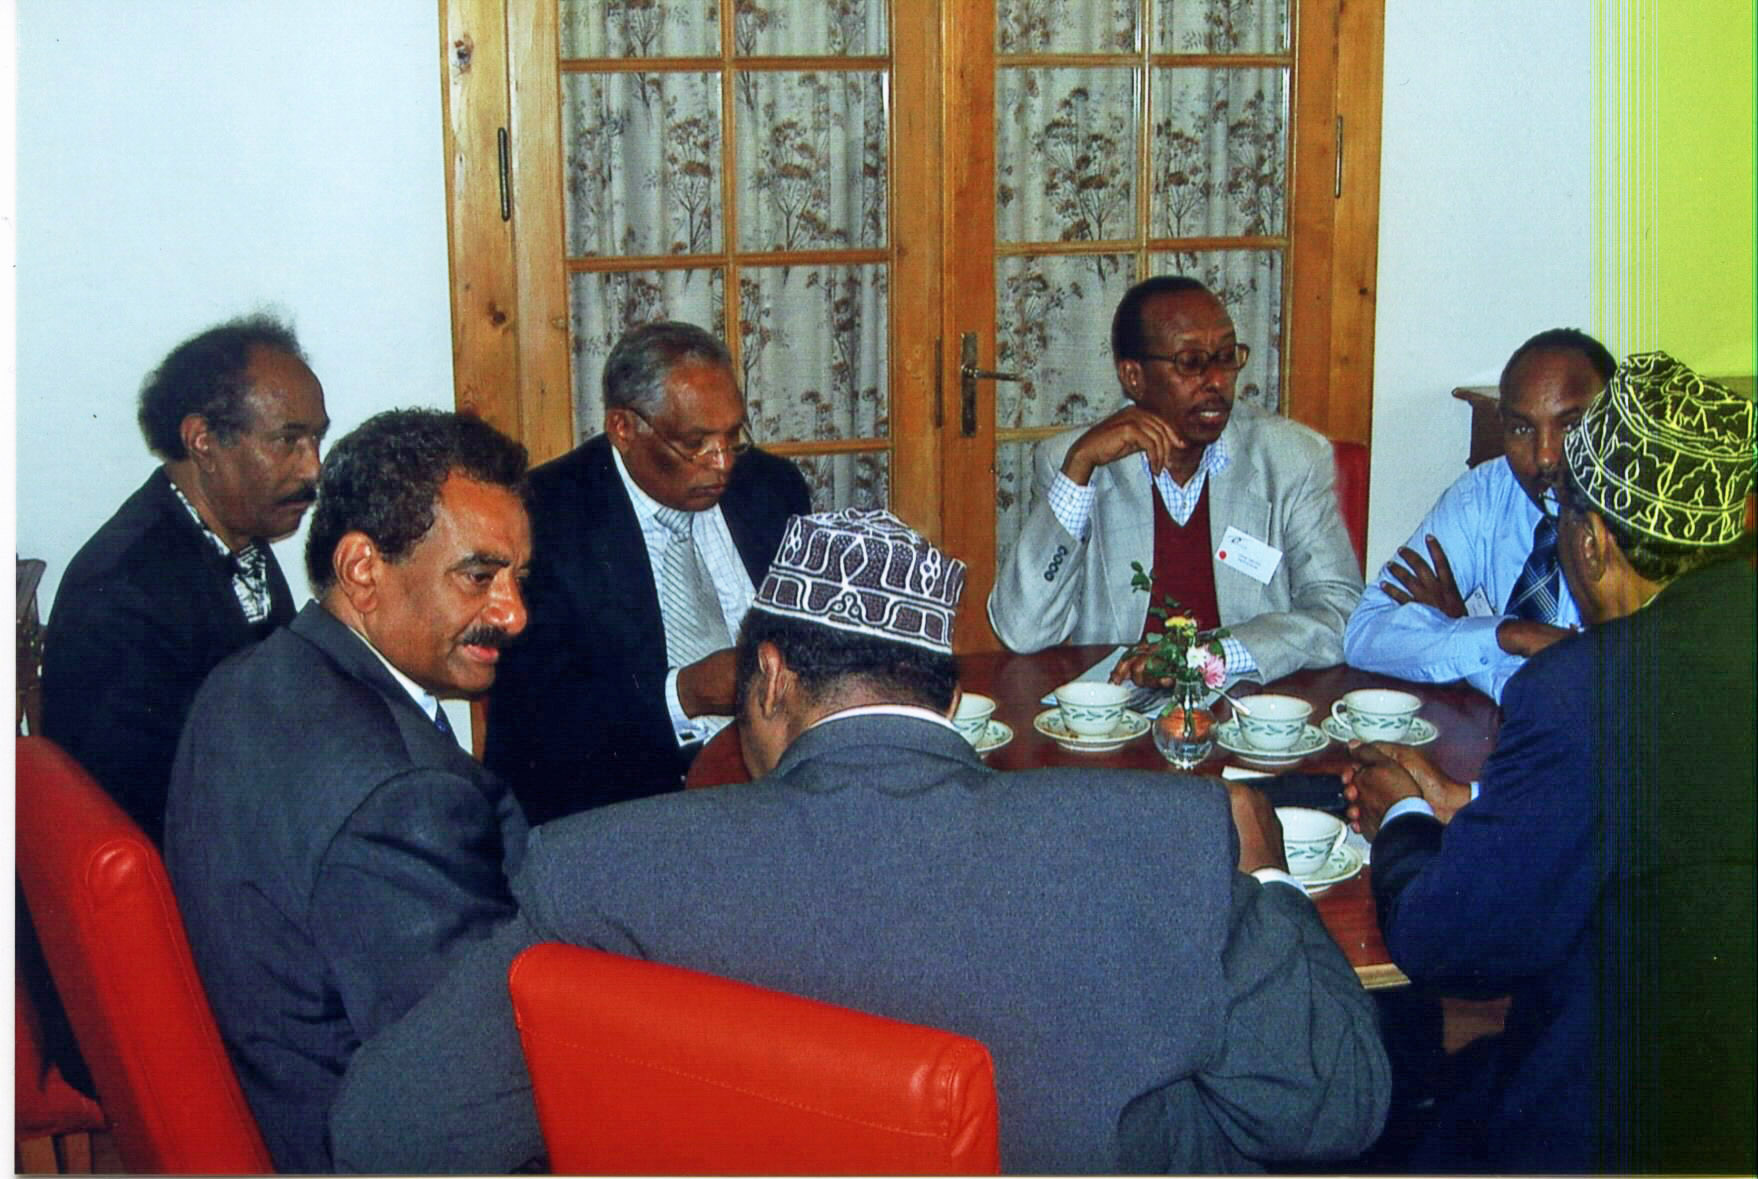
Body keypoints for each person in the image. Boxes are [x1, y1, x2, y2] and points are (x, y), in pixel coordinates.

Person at [327, 509, 1391, 1174]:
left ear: (772, 680)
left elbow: (392, 1135)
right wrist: (1263, 874)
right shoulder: (1164, 842)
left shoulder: (603, 872)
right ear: (949, 690)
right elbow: (1331, 1110)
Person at [1343, 353, 1757, 1173]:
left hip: (1612, 1118)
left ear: (1594, 540)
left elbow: (1448, 943)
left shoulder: (1584, 691)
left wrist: (1404, 813)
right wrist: (1485, 804)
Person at [164, 409, 535, 1172]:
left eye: (518, 579)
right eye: (479, 576)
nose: (513, 614)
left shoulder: (245, 680)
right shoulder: (404, 798)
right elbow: (470, 1095)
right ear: (363, 569)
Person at [483, 320, 811, 824]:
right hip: (626, 800)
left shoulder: (773, 489)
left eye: (732, 436)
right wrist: (685, 694)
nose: (721, 463)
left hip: (775, 781)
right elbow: (534, 717)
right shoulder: (543, 517)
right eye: (695, 442)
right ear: (624, 428)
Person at [988, 275, 1362, 686]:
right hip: (1118, 724)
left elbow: (1340, 613)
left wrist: (1208, 654)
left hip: (1246, 716)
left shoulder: (1291, 458)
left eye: (1226, 357)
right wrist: (1079, 469)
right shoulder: (1076, 460)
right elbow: (1022, 632)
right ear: (1134, 376)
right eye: (1191, 362)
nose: (1217, 381)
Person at [42, 314, 327, 845]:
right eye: (288, 441)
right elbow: (146, 811)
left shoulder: (237, 535)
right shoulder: (124, 591)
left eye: (315, 438)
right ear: (202, 441)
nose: (313, 468)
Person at [1344, 328, 1614, 701]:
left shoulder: (1642, 523)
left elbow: (1596, 689)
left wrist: (1459, 636)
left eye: (1569, 425)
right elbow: (1365, 633)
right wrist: (1505, 634)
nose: (1545, 456)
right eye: (1522, 428)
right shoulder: (1485, 492)